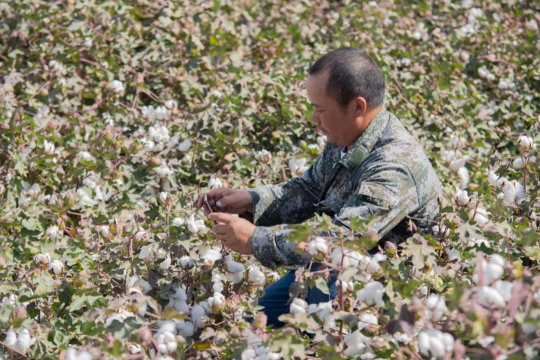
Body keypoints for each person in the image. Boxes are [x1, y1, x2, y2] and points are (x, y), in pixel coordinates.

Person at [195, 47, 442, 327]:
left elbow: (342, 240)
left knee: (316, 328)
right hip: (345, 265)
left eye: (319, 109)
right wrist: (250, 199)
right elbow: (310, 188)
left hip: (394, 284)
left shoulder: (393, 166)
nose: (314, 119)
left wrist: (255, 239)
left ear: (357, 107)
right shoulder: (348, 136)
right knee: (259, 319)